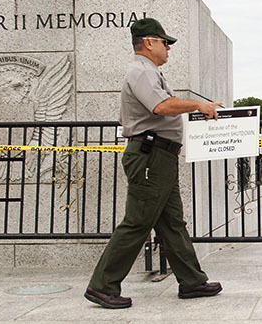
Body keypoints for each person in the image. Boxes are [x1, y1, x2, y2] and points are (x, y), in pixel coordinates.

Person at [84, 18, 223, 309]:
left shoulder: (147, 72)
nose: (168, 48)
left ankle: (192, 281)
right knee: (137, 223)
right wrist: (198, 105)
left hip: (159, 156)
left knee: (172, 223)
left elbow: (131, 116)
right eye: (165, 42)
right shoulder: (141, 71)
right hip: (151, 156)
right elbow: (161, 106)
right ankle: (102, 286)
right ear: (149, 42)